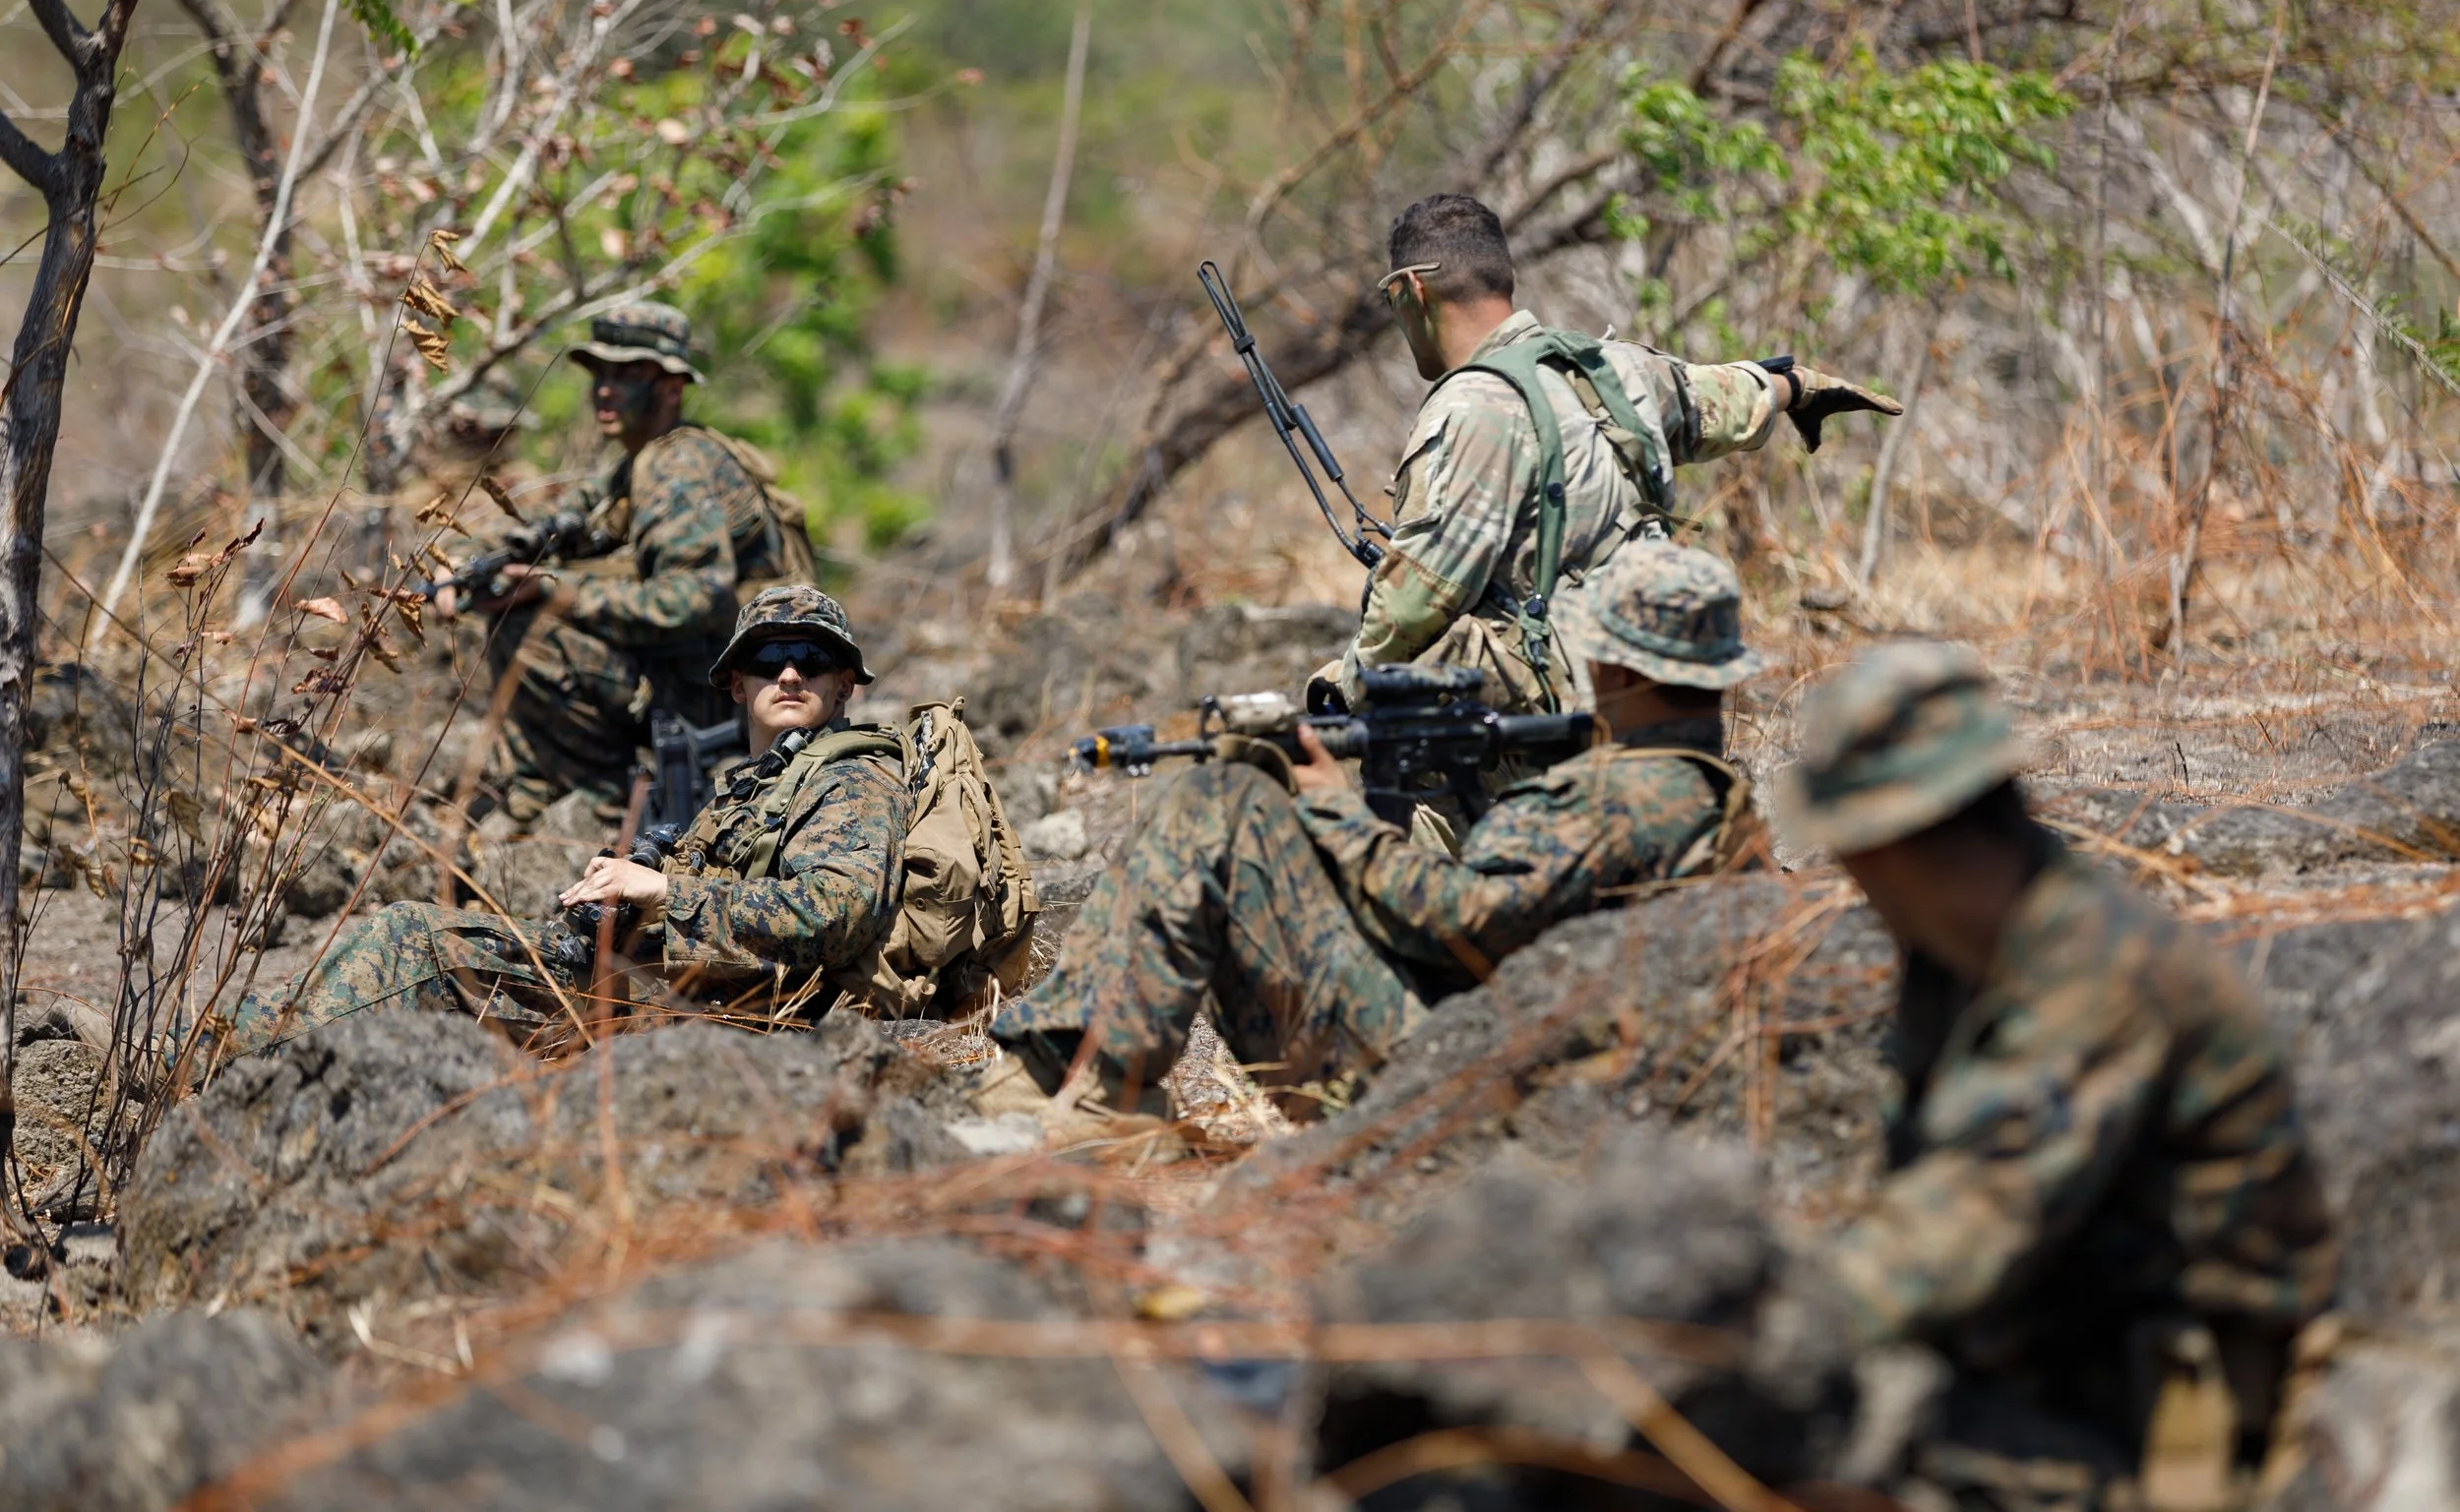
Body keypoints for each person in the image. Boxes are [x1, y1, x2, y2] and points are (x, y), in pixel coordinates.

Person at [1773, 643, 2337, 1497]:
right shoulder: (1964, 957)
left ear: (1884, 845)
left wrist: (1748, 1334)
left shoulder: (2097, 971)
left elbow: (1952, 1236)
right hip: (2060, 1363)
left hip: (2186, 1428)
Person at [987, 540, 1770, 1119]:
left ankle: (1080, 1088)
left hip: (1449, 1080)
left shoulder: (1618, 798)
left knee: (1217, 802)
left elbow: (1461, 918)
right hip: (1544, 1069)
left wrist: (1335, 807)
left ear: (1621, 669)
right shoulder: (1720, 802)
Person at [216, 587, 907, 1055]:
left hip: (700, 1022)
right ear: (737, 682)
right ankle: (226, 1041)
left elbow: (838, 909)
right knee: (409, 932)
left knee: (418, 942)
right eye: (767, 657)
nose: (789, 674)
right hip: (650, 988)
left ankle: (215, 1057)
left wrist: (663, 893)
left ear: (846, 683)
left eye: (812, 659)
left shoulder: (847, 777)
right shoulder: (760, 784)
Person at [1334, 192, 1901, 715]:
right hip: (1658, 690)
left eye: (1390, 297)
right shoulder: (1614, 368)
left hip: (1545, 736)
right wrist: (1798, 387)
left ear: (1412, 288)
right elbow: (1724, 397)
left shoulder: (1471, 408)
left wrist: (1343, 685)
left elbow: (1413, 606)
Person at [444, 303, 813, 825]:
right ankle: (551, 787)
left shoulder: (677, 467)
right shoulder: (643, 461)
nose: (604, 389)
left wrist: (555, 591)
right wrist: (470, 565)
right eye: (600, 373)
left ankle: (598, 800)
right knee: (520, 602)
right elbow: (563, 522)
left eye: (627, 374)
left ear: (670, 388)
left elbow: (697, 598)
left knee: (526, 624)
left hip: (727, 694)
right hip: (724, 680)